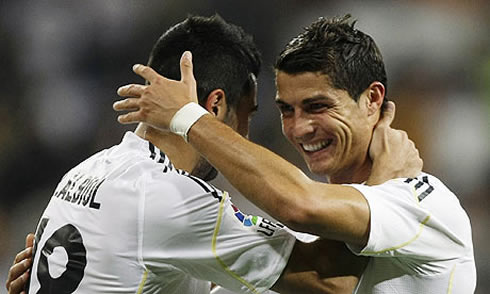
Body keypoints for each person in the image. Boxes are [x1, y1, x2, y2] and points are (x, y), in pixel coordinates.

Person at [4, 15, 422, 294]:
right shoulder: (171, 197)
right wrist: (385, 183)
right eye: (247, 117)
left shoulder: (84, 172)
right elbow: (331, 280)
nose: (243, 135)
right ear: (215, 106)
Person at [110, 15, 476, 293]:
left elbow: (302, 206)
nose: (299, 128)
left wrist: (188, 116)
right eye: (287, 110)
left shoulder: (423, 204)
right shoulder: (298, 245)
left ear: (373, 100)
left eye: (317, 106)